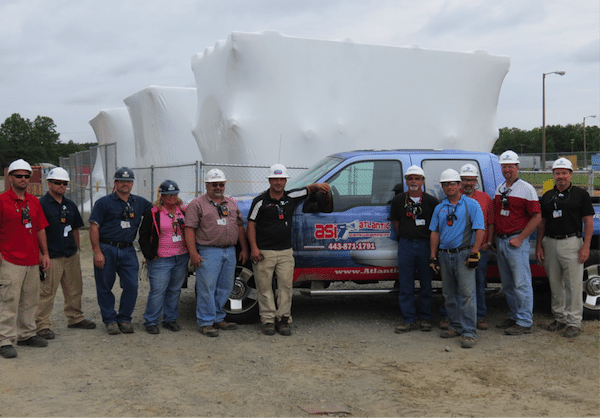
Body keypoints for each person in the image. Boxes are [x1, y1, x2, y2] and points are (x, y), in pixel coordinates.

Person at [247, 164, 330, 336]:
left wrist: (320, 186)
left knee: (285, 287)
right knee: (264, 288)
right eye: (275, 179)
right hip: (264, 252)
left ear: (285, 181)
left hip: (285, 252)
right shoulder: (260, 201)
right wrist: (253, 248)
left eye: (281, 179)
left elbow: (309, 189)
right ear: (270, 180)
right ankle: (268, 321)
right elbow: (251, 224)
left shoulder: (292, 196)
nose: (278, 182)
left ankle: (283, 320)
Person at [184, 169, 249, 337]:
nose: (218, 187)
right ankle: (206, 322)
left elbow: (240, 226)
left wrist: (244, 248)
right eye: (214, 184)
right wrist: (193, 253)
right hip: (208, 251)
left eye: (221, 184)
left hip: (229, 251)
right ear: (207, 185)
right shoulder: (197, 204)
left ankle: (218, 318)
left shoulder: (231, 203)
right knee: (207, 288)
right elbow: (189, 229)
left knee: (225, 287)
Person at [536, 158, 594, 338]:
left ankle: (573, 321)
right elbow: (542, 223)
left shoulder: (580, 195)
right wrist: (539, 245)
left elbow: (588, 221)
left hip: (571, 242)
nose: (560, 176)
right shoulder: (547, 196)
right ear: (553, 175)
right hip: (550, 242)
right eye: (557, 173)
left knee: (573, 284)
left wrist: (586, 246)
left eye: (564, 173)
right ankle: (560, 317)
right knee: (555, 283)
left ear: (570, 175)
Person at [89, 167, 151, 335]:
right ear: (115, 183)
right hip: (107, 248)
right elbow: (94, 226)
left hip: (128, 249)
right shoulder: (103, 203)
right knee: (104, 286)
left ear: (132, 184)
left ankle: (124, 318)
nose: (125, 184)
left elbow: (157, 210)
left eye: (129, 181)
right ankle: (110, 320)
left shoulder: (139, 203)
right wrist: (97, 252)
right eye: (121, 181)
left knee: (132, 285)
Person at [36, 167, 96, 340]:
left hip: (70, 254)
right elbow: (37, 231)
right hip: (51, 256)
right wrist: (41, 255)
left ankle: (75, 318)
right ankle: (41, 325)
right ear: (49, 183)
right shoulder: (41, 205)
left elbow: (75, 227)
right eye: (58, 183)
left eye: (64, 183)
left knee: (74, 289)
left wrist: (77, 249)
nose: (62, 186)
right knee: (46, 292)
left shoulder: (69, 205)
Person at [0, 159, 50, 359]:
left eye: (26, 176)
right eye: (18, 176)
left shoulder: (34, 201)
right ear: (10, 177)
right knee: (9, 300)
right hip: (10, 258)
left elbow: (40, 228)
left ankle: (26, 334)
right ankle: (4, 339)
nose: (23, 179)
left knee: (30, 300)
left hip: (31, 259)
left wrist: (44, 253)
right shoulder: (2, 201)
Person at [429, 169, 484, 349]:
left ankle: (469, 332)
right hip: (445, 255)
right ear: (442, 187)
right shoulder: (440, 208)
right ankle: (455, 325)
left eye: (452, 183)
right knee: (449, 294)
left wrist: (474, 252)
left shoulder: (471, 205)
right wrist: (433, 256)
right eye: (445, 184)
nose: (449, 187)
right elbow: (434, 232)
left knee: (467, 295)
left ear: (459, 185)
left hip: (463, 255)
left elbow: (479, 229)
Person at [493, 150, 541, 335]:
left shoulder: (526, 189)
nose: (507, 169)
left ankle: (524, 321)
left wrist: (521, 238)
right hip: (502, 241)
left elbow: (537, 217)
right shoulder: (500, 188)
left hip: (517, 241)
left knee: (521, 283)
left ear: (517, 167)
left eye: (510, 166)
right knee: (507, 284)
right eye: (504, 166)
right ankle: (514, 315)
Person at [389, 165, 439, 333]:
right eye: (410, 178)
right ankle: (409, 319)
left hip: (425, 246)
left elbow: (435, 228)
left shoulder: (431, 202)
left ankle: (426, 318)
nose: (413, 181)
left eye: (417, 178)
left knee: (426, 283)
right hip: (406, 245)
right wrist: (408, 234)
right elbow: (396, 223)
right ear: (406, 181)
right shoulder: (398, 201)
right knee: (405, 284)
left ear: (423, 181)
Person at [139, 180, 189, 335]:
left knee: (174, 290)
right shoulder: (153, 212)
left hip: (180, 257)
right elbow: (144, 235)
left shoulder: (183, 210)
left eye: (174, 194)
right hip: (161, 258)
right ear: (162, 195)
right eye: (168, 194)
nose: (171, 197)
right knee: (158, 290)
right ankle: (151, 321)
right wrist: (150, 255)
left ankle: (170, 319)